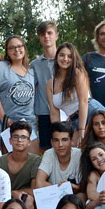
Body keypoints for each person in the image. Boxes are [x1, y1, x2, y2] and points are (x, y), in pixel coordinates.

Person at [0, 120, 41, 209]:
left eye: (23, 137)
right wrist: (12, 193)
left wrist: (18, 193)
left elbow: (34, 190)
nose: (19, 140)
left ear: (29, 141)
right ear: (10, 140)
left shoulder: (36, 160)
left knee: (29, 199)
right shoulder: (0, 161)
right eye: (15, 137)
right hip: (5, 198)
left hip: (25, 199)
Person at [0, 36, 37, 137]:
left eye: (19, 46)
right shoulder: (0, 67)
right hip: (7, 122)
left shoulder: (32, 71)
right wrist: (3, 118)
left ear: (24, 48)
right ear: (7, 51)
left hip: (28, 122)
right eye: (12, 48)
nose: (16, 50)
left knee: (32, 152)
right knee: (8, 153)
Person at [47, 42, 90, 137]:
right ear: (56, 57)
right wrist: (58, 133)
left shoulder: (78, 73)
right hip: (72, 120)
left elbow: (83, 101)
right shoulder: (50, 83)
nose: (65, 59)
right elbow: (54, 113)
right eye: (62, 55)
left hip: (89, 113)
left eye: (70, 56)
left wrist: (81, 129)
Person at [36, 121, 83, 204]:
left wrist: (71, 186)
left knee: (81, 196)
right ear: (51, 142)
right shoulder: (49, 154)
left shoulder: (79, 155)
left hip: (73, 198)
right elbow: (39, 183)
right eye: (56, 140)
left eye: (64, 140)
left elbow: (83, 187)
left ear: (72, 141)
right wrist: (61, 188)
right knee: (39, 199)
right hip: (53, 197)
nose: (60, 144)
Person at [30, 21, 59, 149]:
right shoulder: (34, 65)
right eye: (42, 34)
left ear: (56, 36)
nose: (46, 36)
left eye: (49, 33)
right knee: (46, 149)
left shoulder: (66, 59)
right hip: (43, 114)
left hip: (64, 112)